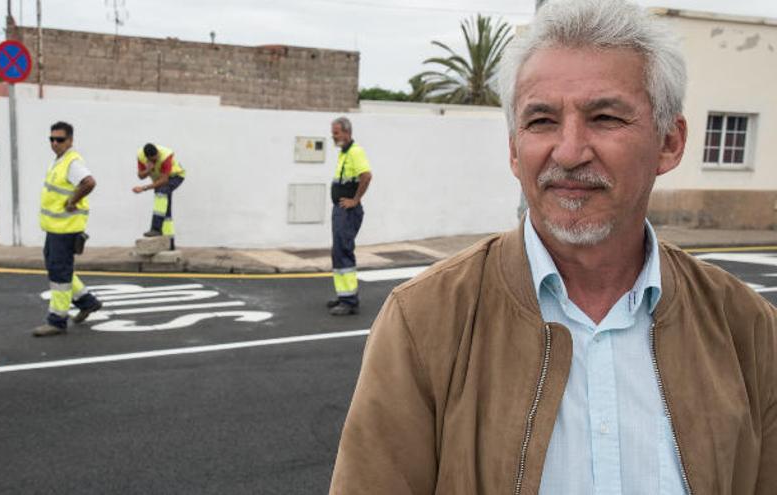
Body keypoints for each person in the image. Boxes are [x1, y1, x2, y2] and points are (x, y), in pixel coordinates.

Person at [330, 0, 777, 493]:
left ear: (669, 142)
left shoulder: (747, 328)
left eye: (605, 117)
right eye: (541, 121)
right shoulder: (424, 321)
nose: (568, 152)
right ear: (513, 150)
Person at [33, 122, 102, 337]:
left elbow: (89, 183)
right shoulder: (60, 161)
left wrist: (73, 201)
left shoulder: (72, 162)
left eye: (60, 139)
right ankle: (87, 302)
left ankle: (57, 320)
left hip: (65, 228)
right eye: (51, 139)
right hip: (56, 228)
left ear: (70, 140)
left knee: (59, 273)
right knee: (59, 268)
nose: (55, 143)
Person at [328, 117, 372, 316]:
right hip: (340, 210)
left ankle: (349, 301)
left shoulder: (355, 152)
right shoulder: (344, 153)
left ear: (347, 133)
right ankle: (343, 295)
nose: (333, 135)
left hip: (348, 211)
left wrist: (355, 200)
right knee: (338, 252)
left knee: (344, 250)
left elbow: (366, 176)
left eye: (336, 132)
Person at [133, 143, 186, 250]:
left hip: (175, 176)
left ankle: (156, 228)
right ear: (148, 158)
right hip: (159, 180)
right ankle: (170, 244)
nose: (157, 160)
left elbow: (165, 180)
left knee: (161, 193)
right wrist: (148, 170)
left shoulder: (165, 156)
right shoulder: (141, 156)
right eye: (154, 159)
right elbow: (140, 176)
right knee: (166, 213)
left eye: (157, 157)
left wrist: (144, 188)